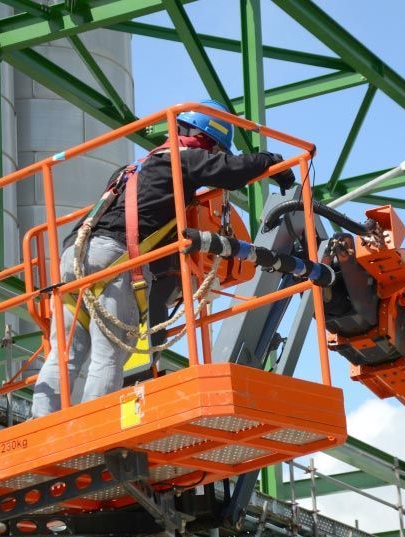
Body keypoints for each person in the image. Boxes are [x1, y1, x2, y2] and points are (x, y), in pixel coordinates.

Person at [31, 100, 296, 417]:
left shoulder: (132, 169)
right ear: (207, 141)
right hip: (114, 259)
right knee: (108, 353)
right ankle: (95, 424)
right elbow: (231, 172)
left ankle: (41, 419)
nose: (212, 156)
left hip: (73, 256)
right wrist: (271, 162)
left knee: (66, 351)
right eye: (214, 150)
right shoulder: (182, 160)